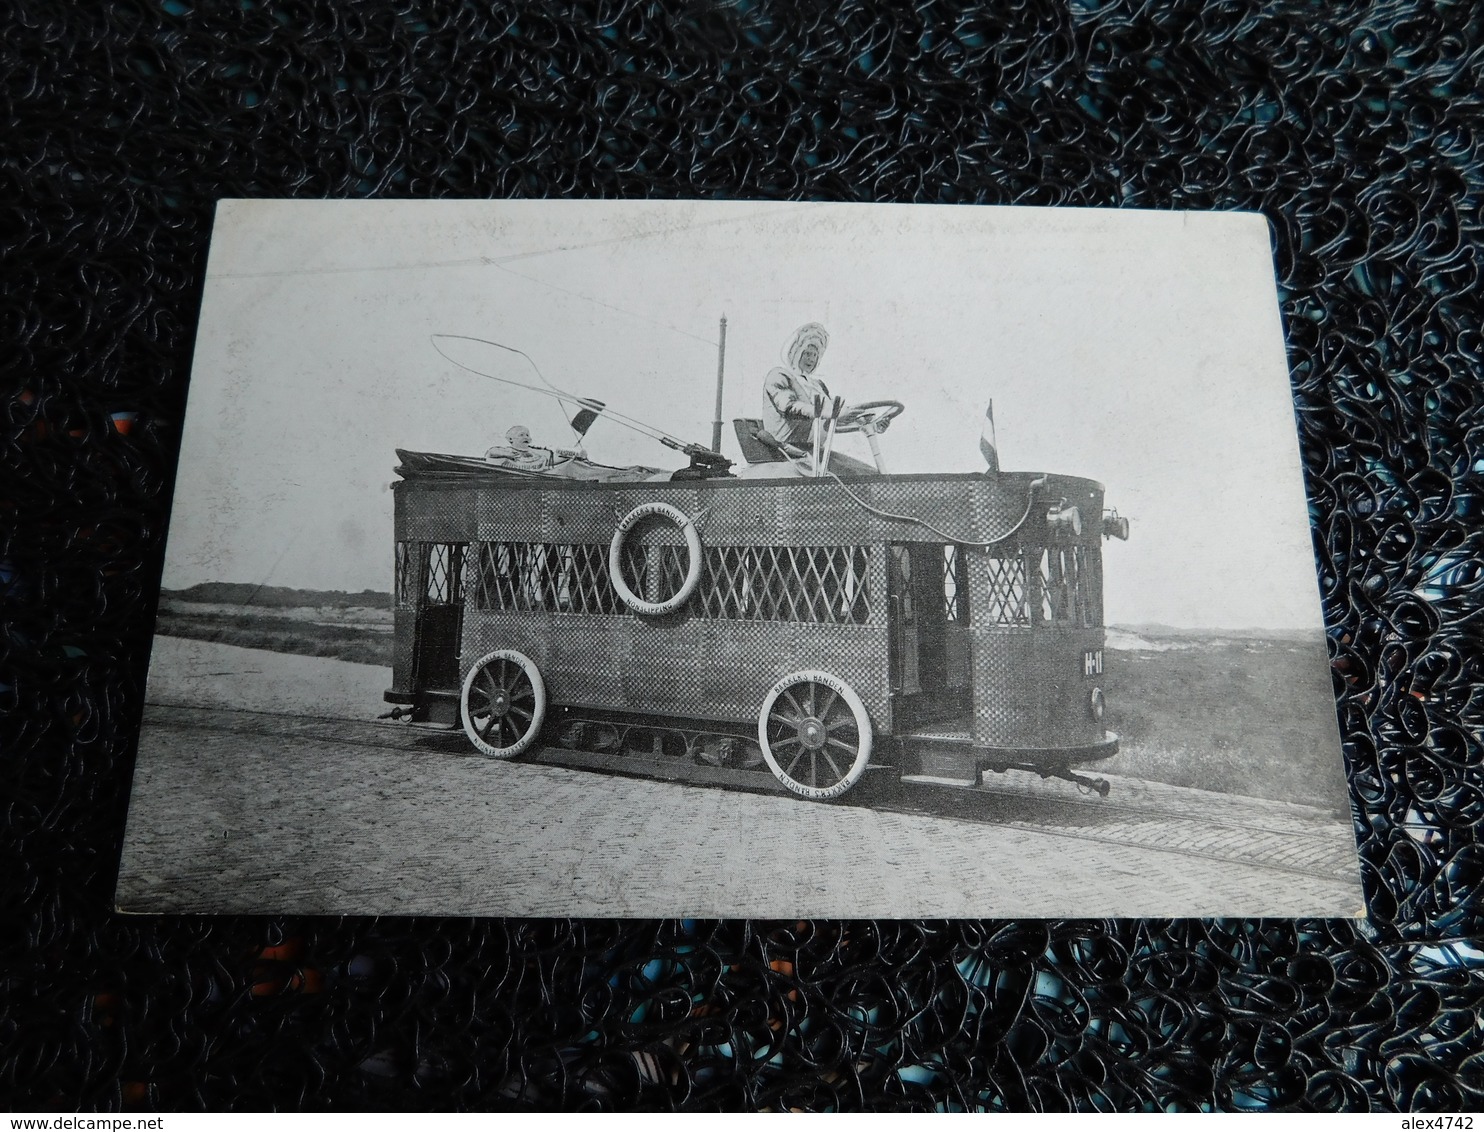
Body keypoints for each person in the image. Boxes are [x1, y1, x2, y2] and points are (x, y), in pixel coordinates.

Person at [761, 322, 832, 451]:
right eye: (808, 354)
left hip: (815, 450)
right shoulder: (779, 376)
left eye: (815, 355)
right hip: (786, 448)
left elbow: (833, 413)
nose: (811, 359)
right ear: (797, 353)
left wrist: (859, 418)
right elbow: (789, 407)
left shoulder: (817, 385)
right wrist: (821, 412)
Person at [485, 424, 584, 470]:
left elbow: (557, 457)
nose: (526, 437)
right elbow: (491, 452)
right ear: (510, 439)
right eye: (521, 435)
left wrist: (576, 452)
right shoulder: (504, 451)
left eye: (528, 435)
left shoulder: (540, 454)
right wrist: (507, 454)